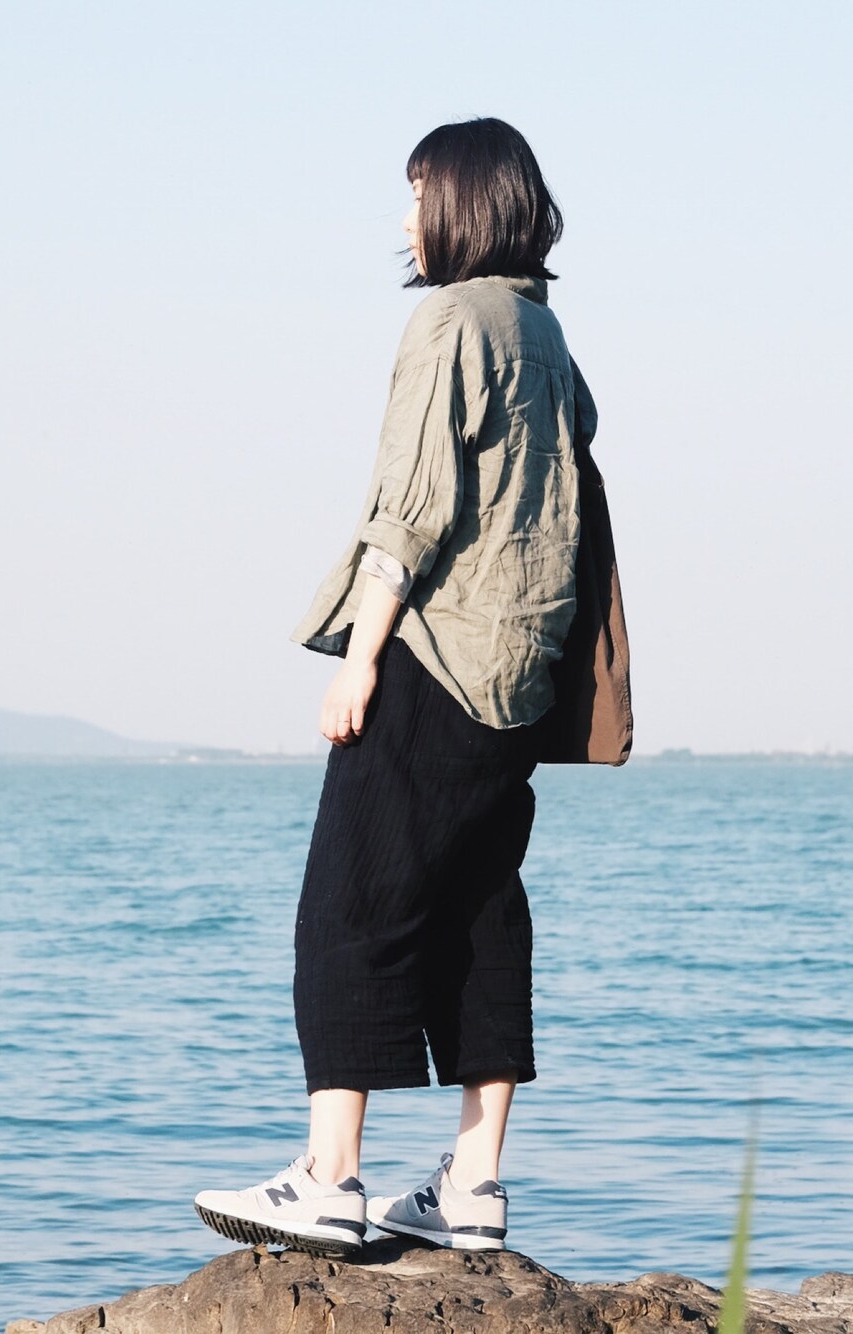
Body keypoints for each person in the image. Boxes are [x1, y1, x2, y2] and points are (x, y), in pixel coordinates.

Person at [194, 116, 594, 1258]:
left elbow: (410, 507)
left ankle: (329, 1178)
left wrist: (362, 656)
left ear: (461, 202)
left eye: (417, 194)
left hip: (434, 655)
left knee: (348, 905)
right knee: (479, 910)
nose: (406, 218)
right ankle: (473, 1183)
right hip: (523, 674)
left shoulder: (451, 320)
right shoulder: (544, 330)